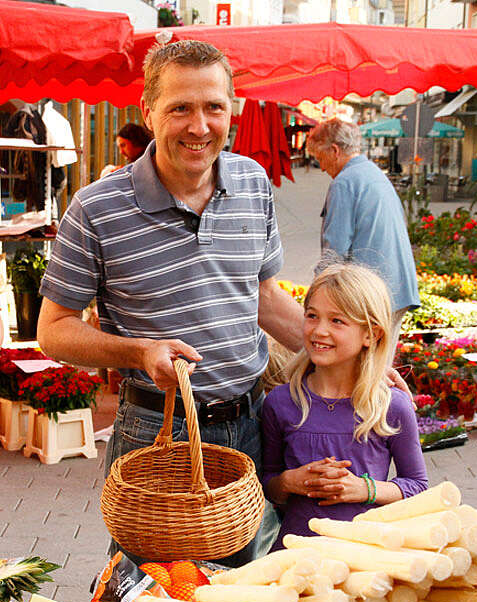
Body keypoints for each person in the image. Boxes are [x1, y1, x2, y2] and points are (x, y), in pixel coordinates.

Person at [37, 39, 304, 565]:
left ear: (233, 109)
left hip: (250, 424)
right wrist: (138, 352)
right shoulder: (96, 207)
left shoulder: (252, 182)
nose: (199, 126)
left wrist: (357, 358)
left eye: (213, 107)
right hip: (157, 432)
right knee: (151, 589)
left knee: (243, 591)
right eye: (180, 107)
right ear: (148, 112)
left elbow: (264, 297)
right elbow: (54, 328)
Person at [261, 263, 428, 551]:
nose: (319, 330)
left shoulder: (391, 407)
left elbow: (418, 486)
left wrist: (365, 489)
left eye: (337, 321)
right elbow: (268, 484)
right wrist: (289, 481)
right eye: (312, 316)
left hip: (366, 558)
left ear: (371, 335)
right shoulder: (281, 403)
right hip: (295, 555)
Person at [306, 119, 420, 363]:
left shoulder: (345, 182)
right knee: (378, 368)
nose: (322, 167)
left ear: (334, 150)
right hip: (394, 289)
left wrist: (315, 301)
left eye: (319, 157)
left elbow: (334, 252)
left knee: (363, 374)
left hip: (371, 295)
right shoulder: (371, 173)